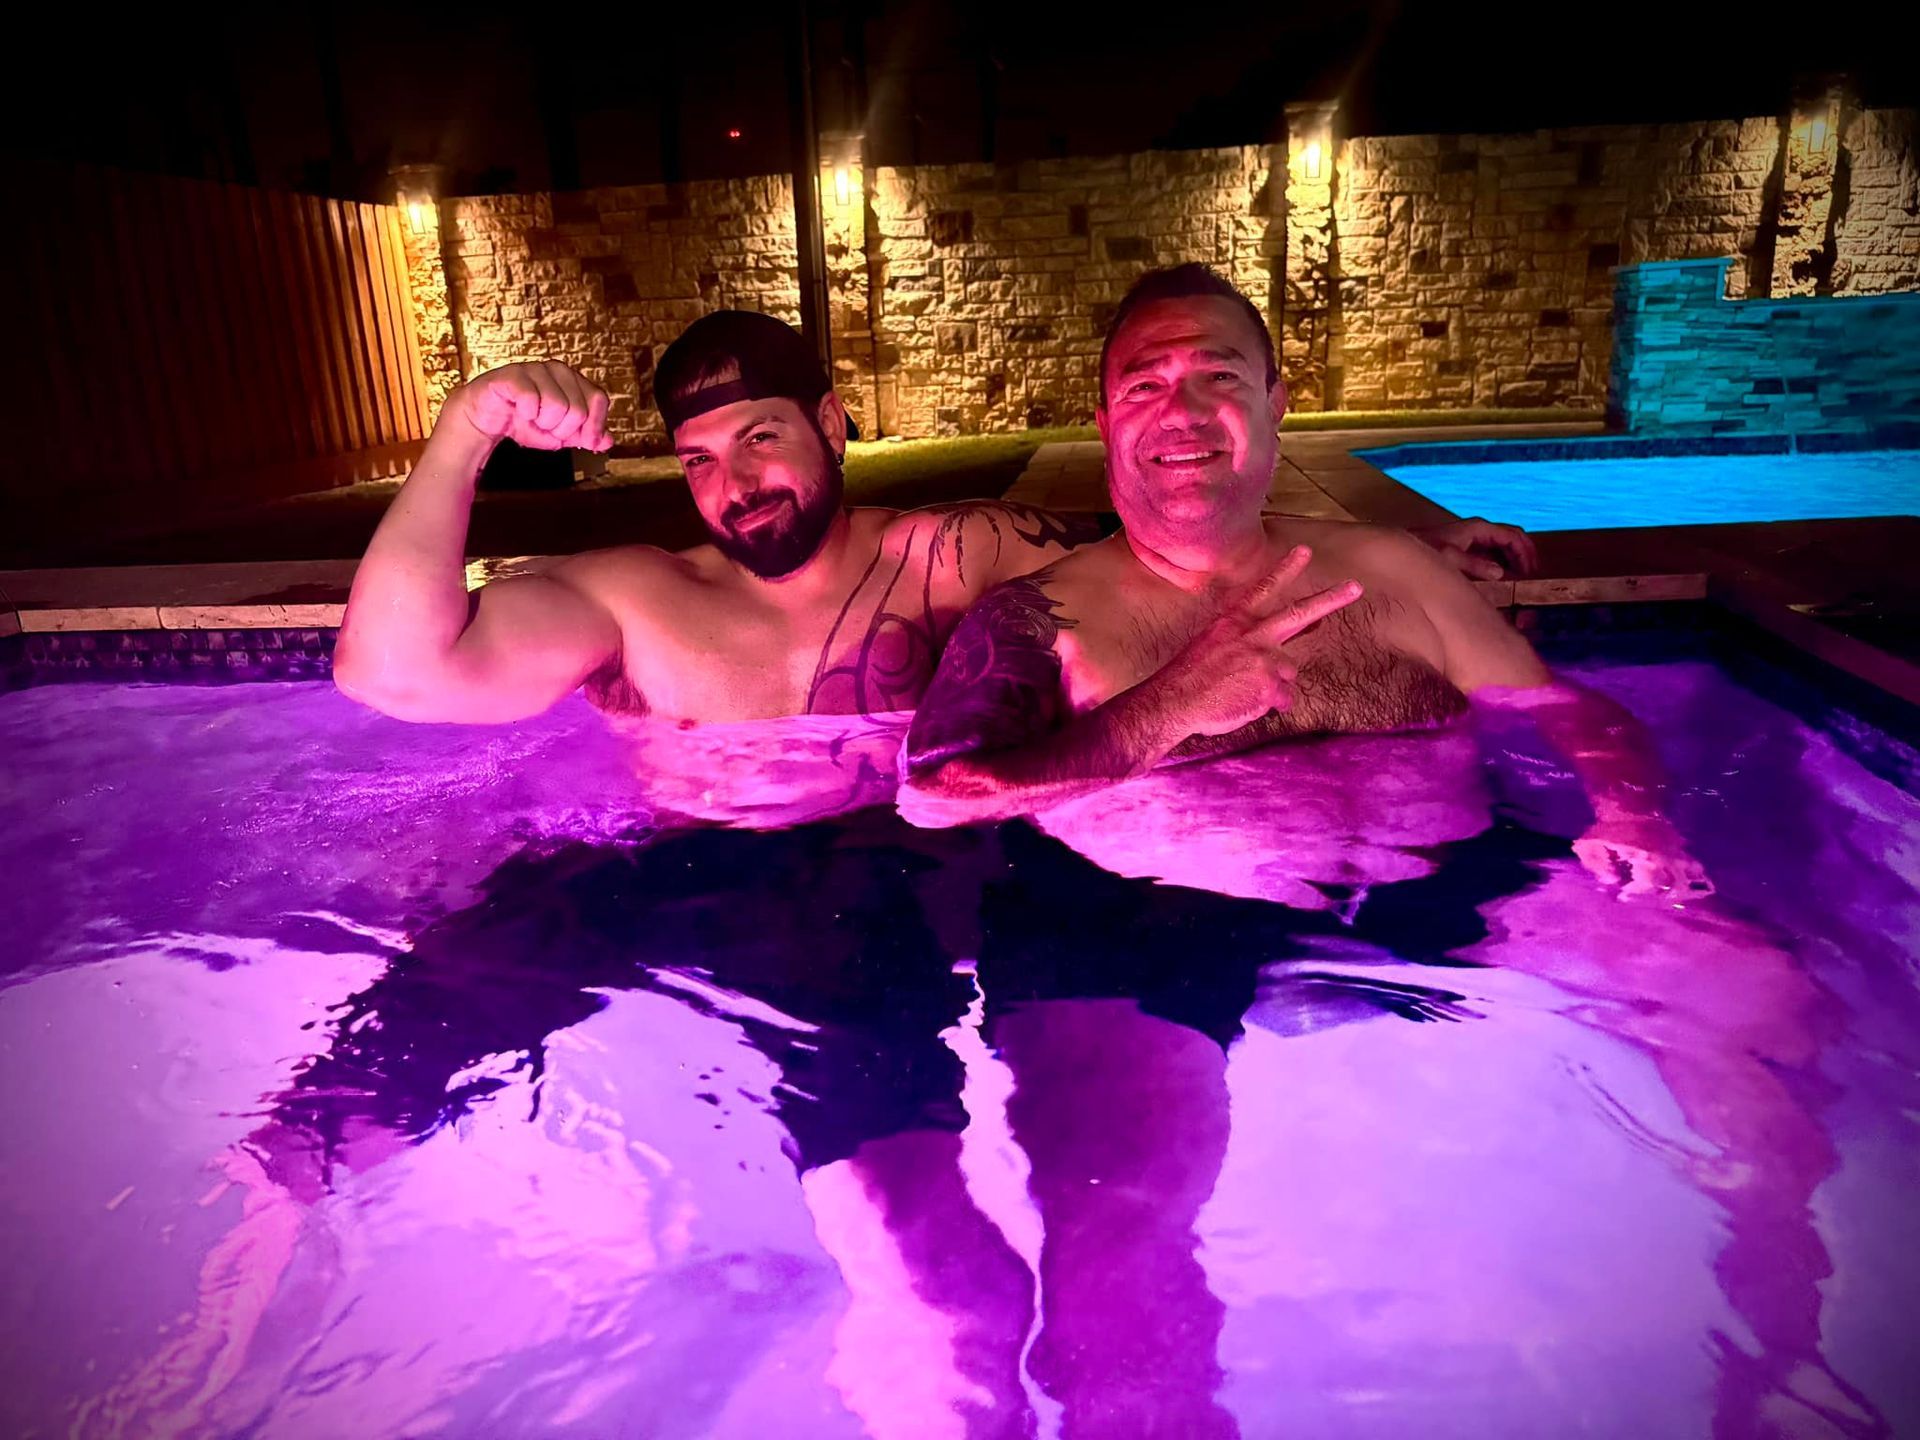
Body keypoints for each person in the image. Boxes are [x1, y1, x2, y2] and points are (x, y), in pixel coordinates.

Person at [900, 264, 1708, 899]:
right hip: (1176, 962)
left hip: (1462, 920)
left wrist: (1632, 815)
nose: (1183, 411)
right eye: (1145, 385)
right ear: (1107, 423)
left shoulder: (1392, 569)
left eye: (1220, 377)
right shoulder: (1041, 619)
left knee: (1749, 995)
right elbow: (937, 798)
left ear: (1275, 402)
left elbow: (1564, 708)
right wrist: (1167, 709)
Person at [333, 308, 1531, 727]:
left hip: (913, 883)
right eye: (699, 457)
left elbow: (1177, 549)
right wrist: (466, 431)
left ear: (834, 422)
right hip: (695, 895)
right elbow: (394, 675)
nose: (734, 482)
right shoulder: (633, 601)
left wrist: (1393, 553)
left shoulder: (950, 552)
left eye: (761, 436)